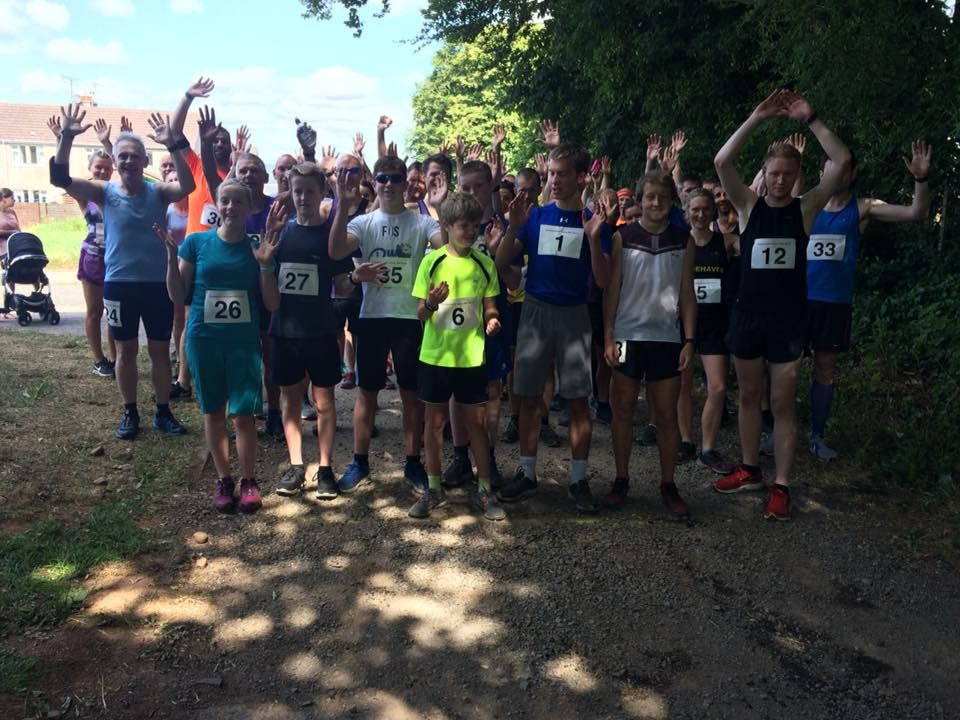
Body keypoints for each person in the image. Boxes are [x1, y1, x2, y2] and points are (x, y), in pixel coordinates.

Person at [712, 89, 851, 521]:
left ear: (796, 176)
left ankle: (783, 484)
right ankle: (751, 468)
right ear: (765, 174)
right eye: (773, 173)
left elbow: (842, 162)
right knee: (750, 395)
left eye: (787, 174)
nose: (779, 180)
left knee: (784, 402)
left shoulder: (806, 208)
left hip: (788, 320)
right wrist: (755, 117)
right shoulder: (748, 206)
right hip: (748, 316)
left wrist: (812, 119)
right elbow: (721, 163)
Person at [50, 103, 196, 439]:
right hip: (119, 285)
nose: (129, 161)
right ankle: (130, 411)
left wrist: (173, 143)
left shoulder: (158, 192)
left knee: (160, 351)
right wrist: (67, 139)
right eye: (123, 156)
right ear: (115, 161)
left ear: (145, 162)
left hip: (156, 285)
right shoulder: (103, 192)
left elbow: (186, 186)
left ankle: (162, 411)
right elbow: (59, 178)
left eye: (135, 156)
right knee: (126, 351)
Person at [494, 143, 611, 512]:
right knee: (528, 396)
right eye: (551, 174)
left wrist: (593, 238)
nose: (554, 180)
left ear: (580, 177)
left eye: (562, 174)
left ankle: (578, 480)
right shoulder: (536, 215)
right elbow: (501, 262)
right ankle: (527, 473)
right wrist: (513, 229)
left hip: (575, 315)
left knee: (578, 400)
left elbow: (603, 280)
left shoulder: (594, 220)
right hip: (535, 310)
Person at [160, 179, 282, 512]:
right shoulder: (196, 243)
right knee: (213, 411)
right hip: (204, 339)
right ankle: (223, 479)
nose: (230, 208)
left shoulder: (258, 246)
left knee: (243, 414)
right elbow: (177, 294)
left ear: (249, 207)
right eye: (224, 201)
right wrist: (171, 257)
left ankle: (249, 480)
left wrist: (266, 264)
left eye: (237, 202)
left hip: (243, 342)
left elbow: (271, 304)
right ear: (217, 204)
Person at [805, 140, 931, 460]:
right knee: (782, 368)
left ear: (852, 173)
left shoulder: (862, 208)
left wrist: (920, 179)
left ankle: (817, 436)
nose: (838, 175)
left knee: (825, 371)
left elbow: (918, 213)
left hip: (833, 304)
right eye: (831, 169)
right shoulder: (806, 206)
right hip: (799, 300)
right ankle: (777, 432)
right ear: (821, 173)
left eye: (844, 169)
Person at [329, 156, 445, 495]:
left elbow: (447, 249)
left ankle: (413, 462)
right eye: (382, 178)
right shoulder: (364, 222)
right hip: (373, 317)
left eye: (396, 178)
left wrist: (436, 208)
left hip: (409, 318)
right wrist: (341, 205)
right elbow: (335, 249)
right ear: (374, 181)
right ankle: (359, 462)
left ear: (406, 182)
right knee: (367, 393)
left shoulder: (421, 223)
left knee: (411, 395)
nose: (389, 184)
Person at [270, 163, 380, 499]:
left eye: (310, 191)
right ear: (290, 190)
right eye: (297, 190)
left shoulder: (331, 235)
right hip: (285, 330)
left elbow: (342, 287)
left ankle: (326, 467)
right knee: (289, 399)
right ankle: (295, 464)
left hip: (320, 329)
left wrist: (356, 278)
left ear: (321, 194)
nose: (303, 197)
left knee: (324, 401)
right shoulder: (280, 233)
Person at [602, 172, 696, 517]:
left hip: (666, 337)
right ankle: (621, 478)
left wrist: (689, 339)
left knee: (667, 415)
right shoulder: (622, 236)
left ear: (671, 200)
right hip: (628, 334)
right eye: (650, 197)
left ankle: (668, 483)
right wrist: (609, 335)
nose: (656, 203)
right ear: (640, 200)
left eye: (662, 197)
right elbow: (612, 288)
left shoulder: (684, 239)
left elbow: (687, 293)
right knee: (623, 409)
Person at [408, 192, 506, 520]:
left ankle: (484, 491)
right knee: (433, 425)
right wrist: (432, 303)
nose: (471, 232)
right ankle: (433, 489)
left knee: (476, 425)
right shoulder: (431, 261)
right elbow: (420, 313)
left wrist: (492, 319)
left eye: (475, 226)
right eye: (464, 225)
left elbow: (490, 305)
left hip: (471, 358)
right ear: (447, 226)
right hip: (435, 357)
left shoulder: (484, 262)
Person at [676, 189, 737, 474]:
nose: (700, 215)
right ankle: (686, 441)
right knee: (683, 386)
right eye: (695, 210)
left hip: (715, 324)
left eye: (705, 210)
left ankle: (709, 447)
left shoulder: (725, 242)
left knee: (718, 387)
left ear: (713, 211)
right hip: (685, 324)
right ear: (686, 211)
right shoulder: (679, 243)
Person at [0, 188, 20, 258]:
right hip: (2, 250)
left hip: (14, 246)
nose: (14, 200)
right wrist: (12, 232)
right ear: (3, 199)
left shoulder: (12, 212)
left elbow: (19, 230)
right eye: (12, 197)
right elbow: (16, 231)